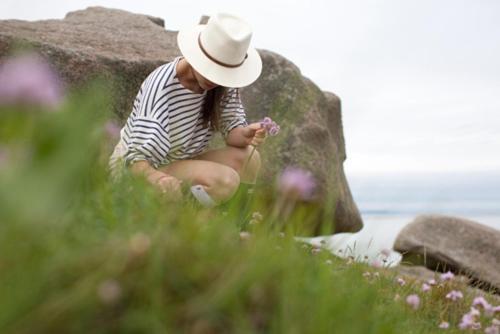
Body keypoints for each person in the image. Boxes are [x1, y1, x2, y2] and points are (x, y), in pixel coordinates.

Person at [109, 13, 266, 207]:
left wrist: (247, 134)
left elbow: (233, 135)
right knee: (225, 180)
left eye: (222, 72)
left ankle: (236, 222)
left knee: (250, 158)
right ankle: (193, 221)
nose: (215, 79)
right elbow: (135, 160)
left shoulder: (224, 84)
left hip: (181, 161)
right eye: (211, 68)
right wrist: (159, 180)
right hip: (141, 172)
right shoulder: (162, 86)